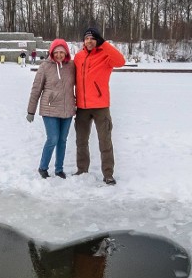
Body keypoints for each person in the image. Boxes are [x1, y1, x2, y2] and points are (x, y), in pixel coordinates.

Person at [74, 27, 126, 185]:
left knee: (105, 141)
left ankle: (108, 174)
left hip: (100, 106)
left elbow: (121, 61)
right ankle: (82, 170)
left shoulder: (106, 55)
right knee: (81, 141)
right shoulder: (78, 57)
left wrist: (105, 44)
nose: (89, 41)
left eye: (93, 38)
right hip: (82, 107)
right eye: (86, 38)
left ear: (98, 40)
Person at [27, 39, 76, 179]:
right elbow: (36, 89)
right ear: (51, 52)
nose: (59, 55)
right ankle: (43, 167)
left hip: (67, 109)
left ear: (66, 52)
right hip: (50, 109)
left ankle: (59, 169)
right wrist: (31, 111)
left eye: (62, 52)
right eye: (56, 52)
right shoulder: (45, 66)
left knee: (62, 140)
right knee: (53, 138)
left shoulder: (71, 66)